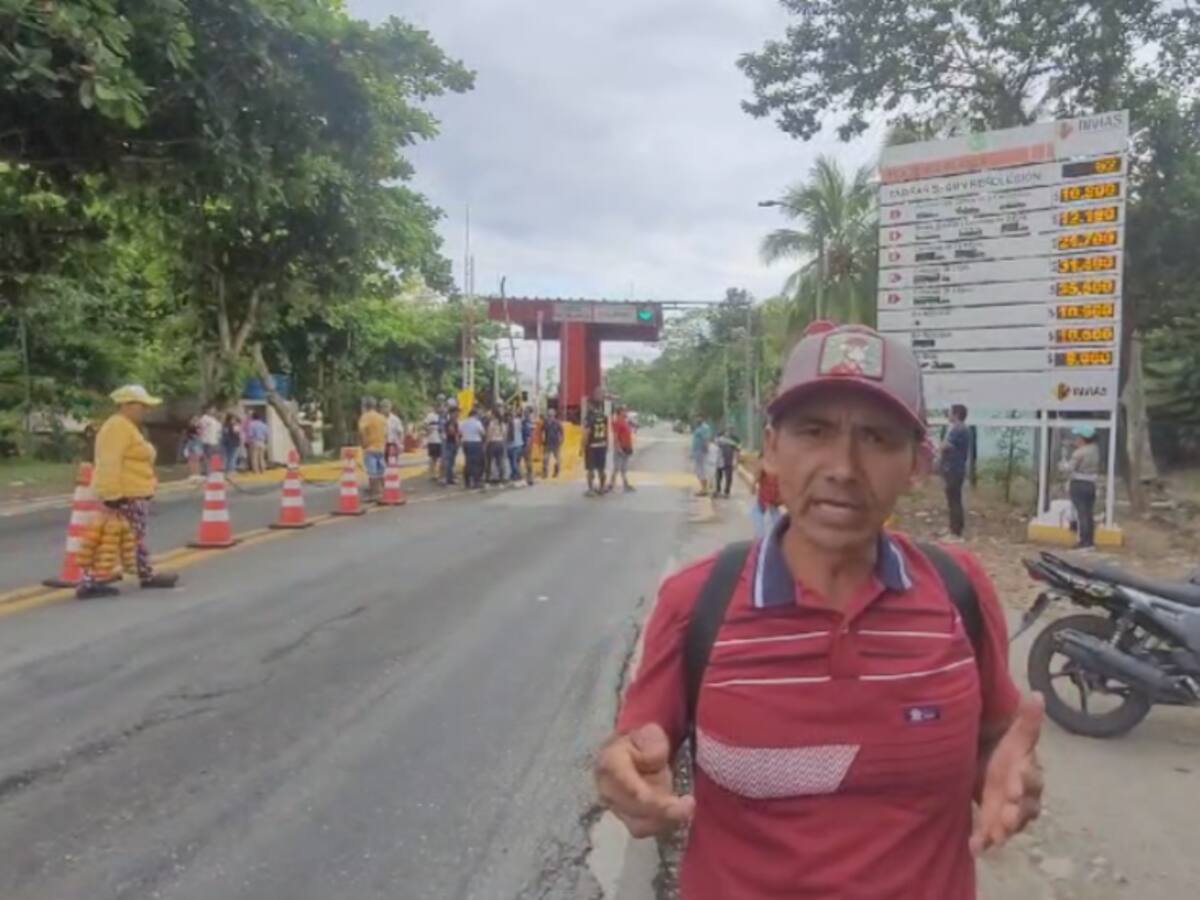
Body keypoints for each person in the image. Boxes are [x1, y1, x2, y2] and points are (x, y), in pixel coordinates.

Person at [595, 322, 1043, 900]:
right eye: (814, 431)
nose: (843, 467)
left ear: (917, 464)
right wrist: (623, 774)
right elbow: (633, 748)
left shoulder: (959, 590)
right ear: (772, 449)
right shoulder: (697, 601)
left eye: (877, 438)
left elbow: (995, 741)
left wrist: (1011, 781)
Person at [76, 385, 179, 599]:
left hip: (133, 492)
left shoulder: (126, 426)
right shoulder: (117, 427)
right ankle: (91, 581)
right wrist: (113, 495)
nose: (146, 410)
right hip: (125, 494)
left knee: (131, 537)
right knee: (112, 538)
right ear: (127, 405)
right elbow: (109, 462)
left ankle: (143, 573)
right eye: (142, 406)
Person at [1063, 426, 1101, 548]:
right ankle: (1090, 541)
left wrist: (1063, 464)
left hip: (1079, 483)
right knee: (1088, 513)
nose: (1076, 439)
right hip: (1091, 484)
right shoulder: (1095, 450)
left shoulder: (1079, 453)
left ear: (1083, 438)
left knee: (1081, 514)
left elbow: (1069, 468)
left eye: (1078, 437)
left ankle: (1083, 541)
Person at [940, 403, 971, 539]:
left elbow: (946, 446)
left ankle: (956, 532)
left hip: (954, 469)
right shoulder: (957, 428)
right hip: (952, 468)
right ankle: (953, 528)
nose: (948, 415)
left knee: (954, 500)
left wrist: (938, 445)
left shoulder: (959, 429)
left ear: (956, 415)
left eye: (950, 412)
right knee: (952, 500)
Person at [357, 397, 388, 501]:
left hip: (370, 448)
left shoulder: (365, 417)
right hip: (381, 448)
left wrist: (363, 443)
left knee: (372, 473)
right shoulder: (381, 417)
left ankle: (374, 494)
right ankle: (383, 492)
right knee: (381, 472)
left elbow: (361, 431)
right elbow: (386, 432)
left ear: (365, 406)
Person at [583, 387, 609, 497]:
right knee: (601, 469)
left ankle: (590, 489)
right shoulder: (603, 415)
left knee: (590, 469)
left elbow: (587, 432)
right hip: (602, 444)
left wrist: (583, 446)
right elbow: (606, 431)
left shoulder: (590, 416)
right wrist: (607, 443)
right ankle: (602, 488)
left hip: (592, 445)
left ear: (591, 405)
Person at [750, 460, 781, 538]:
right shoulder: (766, 464)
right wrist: (753, 485)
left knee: (778, 530)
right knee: (761, 534)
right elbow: (757, 475)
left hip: (773, 504)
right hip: (764, 502)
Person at [459, 405, 486, 490]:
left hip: (465, 443)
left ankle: (467, 482)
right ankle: (476, 481)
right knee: (476, 463)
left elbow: (460, 432)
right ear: (475, 415)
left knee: (468, 462)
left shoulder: (463, 422)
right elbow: (483, 433)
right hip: (475, 443)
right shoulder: (477, 423)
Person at [610, 404, 635, 492]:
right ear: (620, 412)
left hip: (626, 447)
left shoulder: (625, 421)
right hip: (620, 448)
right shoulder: (617, 422)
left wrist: (630, 447)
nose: (626, 412)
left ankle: (625, 485)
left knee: (623, 468)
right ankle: (611, 485)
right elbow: (615, 436)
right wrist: (618, 447)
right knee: (617, 467)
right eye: (624, 410)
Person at [714, 428, 741, 498]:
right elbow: (716, 444)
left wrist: (736, 462)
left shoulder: (735, 440)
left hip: (728, 461)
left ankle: (726, 492)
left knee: (728, 477)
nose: (728, 433)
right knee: (719, 476)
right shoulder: (720, 438)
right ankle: (718, 490)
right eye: (727, 432)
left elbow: (738, 451)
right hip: (720, 460)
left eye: (730, 431)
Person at [690, 416, 712, 496]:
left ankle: (704, 489)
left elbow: (705, 439)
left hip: (701, 452)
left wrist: (706, 449)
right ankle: (704, 488)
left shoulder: (704, 428)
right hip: (698, 452)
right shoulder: (699, 427)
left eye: (698, 418)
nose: (696, 419)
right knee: (698, 470)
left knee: (701, 470)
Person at [486, 406, 507, 485]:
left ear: (494, 414)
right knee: (500, 461)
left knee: (490, 461)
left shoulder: (492, 423)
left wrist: (486, 444)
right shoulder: (502, 424)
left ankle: (489, 478)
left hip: (493, 443)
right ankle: (501, 478)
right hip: (500, 443)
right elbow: (505, 435)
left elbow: (489, 434)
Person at [442, 402, 462, 486]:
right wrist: (457, 439)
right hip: (450, 443)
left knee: (451, 462)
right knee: (449, 462)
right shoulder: (451, 422)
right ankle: (448, 479)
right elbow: (452, 432)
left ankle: (450, 479)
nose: (458, 414)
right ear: (452, 413)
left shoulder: (455, 422)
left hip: (452, 443)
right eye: (456, 412)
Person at [198, 406, 222, 472]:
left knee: (216, 456)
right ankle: (208, 471)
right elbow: (201, 428)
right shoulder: (204, 418)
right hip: (207, 441)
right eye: (212, 409)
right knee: (208, 456)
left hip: (215, 441)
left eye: (214, 410)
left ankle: (215, 470)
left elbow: (219, 429)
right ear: (207, 410)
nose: (213, 411)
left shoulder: (214, 419)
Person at [506, 407, 526, 487]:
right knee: (512, 463)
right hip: (512, 445)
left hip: (516, 445)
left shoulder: (516, 422)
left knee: (514, 463)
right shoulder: (509, 423)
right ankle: (515, 477)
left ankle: (520, 477)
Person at [542, 408, 564, 479]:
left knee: (557, 459)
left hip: (555, 443)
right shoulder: (545, 423)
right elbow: (542, 431)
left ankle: (556, 471)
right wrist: (543, 439)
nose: (550, 416)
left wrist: (561, 440)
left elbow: (561, 432)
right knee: (545, 458)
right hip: (547, 443)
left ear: (554, 415)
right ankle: (545, 472)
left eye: (551, 415)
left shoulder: (557, 423)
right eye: (549, 415)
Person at [424, 403, 444, 480]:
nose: (441, 409)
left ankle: (440, 474)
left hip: (441, 440)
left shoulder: (443, 416)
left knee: (442, 458)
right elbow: (425, 424)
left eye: (442, 407)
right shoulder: (430, 415)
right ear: (436, 407)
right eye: (439, 407)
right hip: (433, 440)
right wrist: (428, 431)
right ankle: (432, 474)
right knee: (433, 458)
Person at [382, 399, 404, 467]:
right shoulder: (380, 419)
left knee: (393, 464)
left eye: (387, 406)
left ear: (390, 407)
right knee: (384, 463)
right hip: (383, 444)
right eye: (384, 407)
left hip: (393, 444)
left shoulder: (395, 419)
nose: (385, 409)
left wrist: (401, 444)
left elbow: (400, 432)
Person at [520, 406, 536, 486]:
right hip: (527, 443)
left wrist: (527, 445)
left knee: (527, 461)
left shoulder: (526, 422)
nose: (525, 413)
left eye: (526, 412)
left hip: (526, 444)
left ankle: (529, 478)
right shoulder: (530, 422)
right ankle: (529, 478)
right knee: (528, 461)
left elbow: (529, 435)